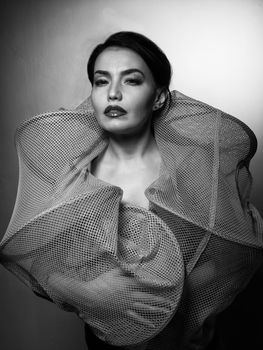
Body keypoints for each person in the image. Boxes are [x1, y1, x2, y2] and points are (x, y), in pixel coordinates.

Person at [0, 31, 263, 350]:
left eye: (132, 81)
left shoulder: (191, 168)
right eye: (101, 81)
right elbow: (42, 265)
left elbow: (230, 256)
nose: (113, 93)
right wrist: (91, 294)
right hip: (109, 345)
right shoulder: (75, 176)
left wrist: (174, 301)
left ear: (159, 97)